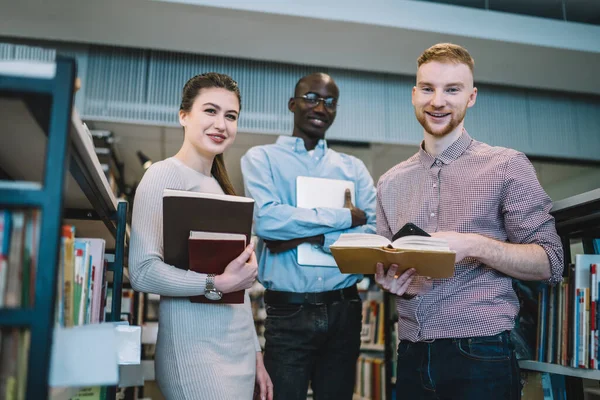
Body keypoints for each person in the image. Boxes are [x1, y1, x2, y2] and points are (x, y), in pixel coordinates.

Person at [375, 43, 564, 399]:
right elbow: (389, 262)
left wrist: (474, 245)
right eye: (428, 89)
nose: (438, 101)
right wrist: (390, 278)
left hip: (482, 352)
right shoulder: (389, 182)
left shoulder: (507, 166)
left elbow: (550, 262)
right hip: (411, 352)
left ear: (471, 96)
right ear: (414, 94)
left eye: (452, 89)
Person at [129, 72, 273, 400]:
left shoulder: (223, 187)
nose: (221, 124)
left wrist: (256, 354)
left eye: (231, 116)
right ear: (184, 116)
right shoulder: (161, 175)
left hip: (237, 348)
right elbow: (141, 271)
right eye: (210, 111)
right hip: (193, 351)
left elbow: (237, 290)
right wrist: (215, 283)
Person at [241, 72, 377, 400]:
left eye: (330, 102)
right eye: (312, 98)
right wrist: (344, 218)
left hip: (344, 308)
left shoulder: (354, 168)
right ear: (292, 104)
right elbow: (267, 220)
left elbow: (373, 233)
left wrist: (309, 237)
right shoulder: (261, 159)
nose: (321, 107)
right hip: (288, 311)